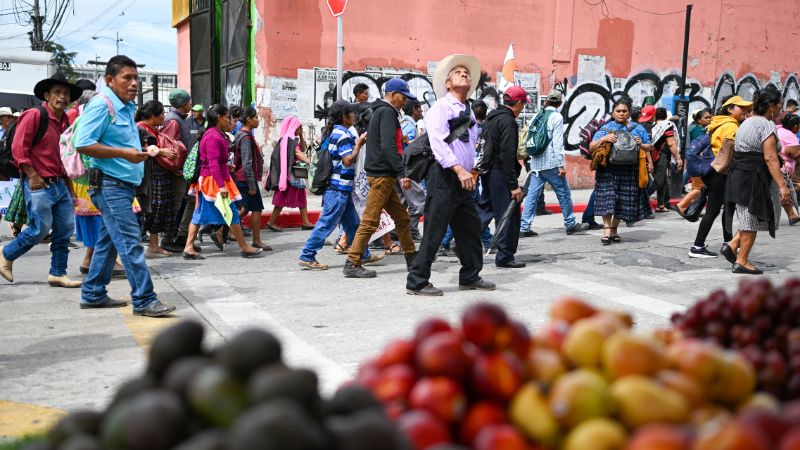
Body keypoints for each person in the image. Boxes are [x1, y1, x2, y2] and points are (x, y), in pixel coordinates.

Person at [74, 56, 176, 316]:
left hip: (122, 185)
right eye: (127, 78)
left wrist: (140, 151)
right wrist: (124, 153)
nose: (134, 83)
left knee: (108, 242)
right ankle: (144, 299)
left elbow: (119, 144)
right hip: (109, 185)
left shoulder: (126, 107)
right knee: (130, 242)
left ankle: (93, 293)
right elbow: (83, 143)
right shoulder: (102, 105)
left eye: (136, 78)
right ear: (110, 80)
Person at [407, 54, 495, 296]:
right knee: (434, 230)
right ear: (447, 83)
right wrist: (458, 169)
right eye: (457, 72)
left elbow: (472, 145)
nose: (464, 74)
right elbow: (437, 142)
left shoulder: (469, 111)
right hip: (444, 176)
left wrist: (471, 171)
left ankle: (470, 276)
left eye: (466, 73)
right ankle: (417, 281)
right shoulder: (441, 107)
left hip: (464, 179)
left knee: (470, 229)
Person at [0, 72, 82, 287]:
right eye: (57, 92)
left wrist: (70, 189)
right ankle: (6, 253)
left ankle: (58, 273)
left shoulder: (65, 121)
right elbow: (19, 148)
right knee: (40, 229)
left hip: (60, 183)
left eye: (66, 93)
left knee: (64, 231)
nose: (62, 97)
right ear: (47, 95)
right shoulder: (35, 115)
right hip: (39, 183)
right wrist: (32, 175)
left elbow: (64, 156)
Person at [343, 78, 418, 278]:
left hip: (383, 175)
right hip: (382, 175)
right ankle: (352, 263)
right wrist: (402, 172)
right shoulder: (387, 113)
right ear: (393, 95)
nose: (405, 101)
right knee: (370, 220)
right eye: (403, 97)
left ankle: (412, 257)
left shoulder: (381, 111)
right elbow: (388, 146)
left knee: (402, 218)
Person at [298, 100, 380, 270]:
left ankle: (362, 253)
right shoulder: (343, 135)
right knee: (326, 224)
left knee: (353, 225)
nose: (354, 116)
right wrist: (359, 145)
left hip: (341, 188)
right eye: (351, 113)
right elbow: (348, 160)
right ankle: (307, 255)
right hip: (338, 189)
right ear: (344, 117)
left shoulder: (334, 132)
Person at [182, 104, 266, 260]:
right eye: (227, 117)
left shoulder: (215, 134)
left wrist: (226, 166)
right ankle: (244, 247)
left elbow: (214, 161)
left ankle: (189, 247)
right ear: (219, 117)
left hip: (213, 179)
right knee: (231, 213)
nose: (230, 120)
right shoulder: (213, 136)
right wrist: (221, 187)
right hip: (213, 182)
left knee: (200, 214)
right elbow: (213, 163)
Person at [724, 86, 792, 274]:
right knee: (750, 219)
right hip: (753, 177)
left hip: (740, 174)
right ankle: (742, 260)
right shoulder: (766, 125)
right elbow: (770, 158)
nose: (780, 109)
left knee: (749, 215)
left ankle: (733, 245)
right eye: (779, 105)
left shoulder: (746, 122)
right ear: (771, 106)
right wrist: (783, 186)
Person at [520, 90, 590, 237]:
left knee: (532, 195)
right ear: (559, 103)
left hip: (536, 163)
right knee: (564, 193)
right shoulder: (557, 117)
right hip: (551, 163)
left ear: (546, 101)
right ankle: (570, 224)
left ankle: (524, 227)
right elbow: (557, 143)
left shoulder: (537, 115)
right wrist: (561, 165)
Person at [688, 95, 751, 259]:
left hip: (713, 171)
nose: (745, 111)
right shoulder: (731, 126)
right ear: (729, 109)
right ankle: (697, 246)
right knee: (714, 210)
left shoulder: (719, 123)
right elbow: (733, 151)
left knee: (726, 209)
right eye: (741, 108)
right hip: (721, 173)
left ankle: (727, 242)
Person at [589, 96, 653, 245]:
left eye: (625, 111)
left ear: (629, 113)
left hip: (630, 171)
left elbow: (649, 147)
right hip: (608, 170)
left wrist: (641, 144)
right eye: (618, 111)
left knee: (623, 201)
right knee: (608, 199)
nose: (621, 113)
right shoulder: (605, 129)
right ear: (613, 112)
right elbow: (592, 147)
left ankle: (614, 229)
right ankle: (606, 231)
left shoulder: (638, 128)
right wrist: (604, 139)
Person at [477, 86, 527, 268]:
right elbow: (507, 155)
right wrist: (513, 185)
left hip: (488, 171)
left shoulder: (491, 118)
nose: (522, 108)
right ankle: (505, 256)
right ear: (518, 103)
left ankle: (463, 242)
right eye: (523, 104)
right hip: (500, 173)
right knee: (508, 215)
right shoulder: (508, 122)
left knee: (485, 210)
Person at [439, 99, 493, 255]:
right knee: (469, 210)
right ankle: (447, 242)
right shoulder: (481, 129)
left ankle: (485, 240)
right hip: (471, 173)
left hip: (464, 171)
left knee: (469, 209)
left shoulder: (465, 128)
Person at [135, 100, 179, 258]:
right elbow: (138, 149)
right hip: (150, 175)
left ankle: (154, 245)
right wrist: (161, 152)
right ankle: (151, 246)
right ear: (154, 115)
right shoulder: (140, 128)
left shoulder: (153, 129)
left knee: (161, 208)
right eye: (162, 114)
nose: (164, 117)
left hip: (160, 173)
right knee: (154, 208)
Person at [160, 88, 197, 253]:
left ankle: (183, 236)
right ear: (182, 103)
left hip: (185, 169)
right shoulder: (173, 121)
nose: (191, 104)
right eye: (189, 101)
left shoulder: (182, 119)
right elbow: (170, 146)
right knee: (175, 204)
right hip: (178, 171)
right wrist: (175, 167)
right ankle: (167, 239)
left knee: (190, 201)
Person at [265, 115, 315, 231]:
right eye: (298, 127)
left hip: (293, 174)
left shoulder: (290, 139)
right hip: (290, 175)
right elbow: (298, 153)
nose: (299, 129)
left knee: (298, 197)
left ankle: (305, 221)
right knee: (282, 197)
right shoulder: (288, 139)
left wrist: (301, 135)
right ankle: (272, 221)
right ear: (293, 127)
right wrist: (310, 161)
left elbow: (302, 149)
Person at [232, 107, 271, 248]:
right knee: (256, 208)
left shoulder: (240, 134)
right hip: (245, 179)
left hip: (241, 177)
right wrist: (252, 185)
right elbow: (247, 163)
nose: (258, 120)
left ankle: (222, 230)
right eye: (255, 117)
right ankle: (256, 240)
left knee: (246, 208)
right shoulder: (246, 137)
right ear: (248, 119)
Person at [677, 108, 714, 213]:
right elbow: (695, 146)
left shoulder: (704, 129)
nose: (709, 119)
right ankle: (681, 205)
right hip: (699, 161)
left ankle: (693, 208)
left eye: (709, 117)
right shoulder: (699, 130)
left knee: (697, 186)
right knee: (699, 187)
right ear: (699, 120)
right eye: (706, 118)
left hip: (698, 161)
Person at [399, 98, 426, 241]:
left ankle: (395, 231)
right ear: (415, 110)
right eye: (420, 108)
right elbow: (407, 148)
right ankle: (412, 230)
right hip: (408, 169)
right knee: (418, 201)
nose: (422, 111)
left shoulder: (405, 123)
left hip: (402, 168)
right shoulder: (409, 126)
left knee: (401, 201)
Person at [649, 107, 683, 212]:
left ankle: (662, 204)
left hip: (652, 155)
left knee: (663, 180)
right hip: (661, 156)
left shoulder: (653, 126)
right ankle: (641, 198)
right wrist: (678, 158)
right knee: (659, 180)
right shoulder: (667, 126)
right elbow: (671, 143)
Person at [775, 112, 800, 224]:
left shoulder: (779, 130)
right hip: (783, 167)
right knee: (784, 191)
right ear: (795, 126)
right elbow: (794, 153)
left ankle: (791, 215)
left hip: (777, 166)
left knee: (784, 191)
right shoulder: (789, 135)